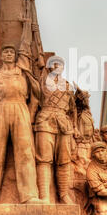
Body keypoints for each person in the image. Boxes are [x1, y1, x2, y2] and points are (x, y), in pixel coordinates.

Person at [0, 39, 43, 205]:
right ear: (1, 55)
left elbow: (36, 95)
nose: (8, 54)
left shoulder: (23, 73)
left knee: (26, 153)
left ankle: (29, 195)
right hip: (0, 110)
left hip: (21, 108)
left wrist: (31, 114)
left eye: (11, 52)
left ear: (15, 56)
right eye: (5, 52)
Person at [34, 56, 80, 204]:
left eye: (59, 64)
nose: (56, 66)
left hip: (64, 123)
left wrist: (75, 127)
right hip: (45, 120)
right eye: (53, 63)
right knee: (44, 160)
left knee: (64, 161)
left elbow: (73, 109)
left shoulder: (67, 85)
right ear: (48, 67)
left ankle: (63, 195)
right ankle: (45, 196)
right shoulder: (41, 81)